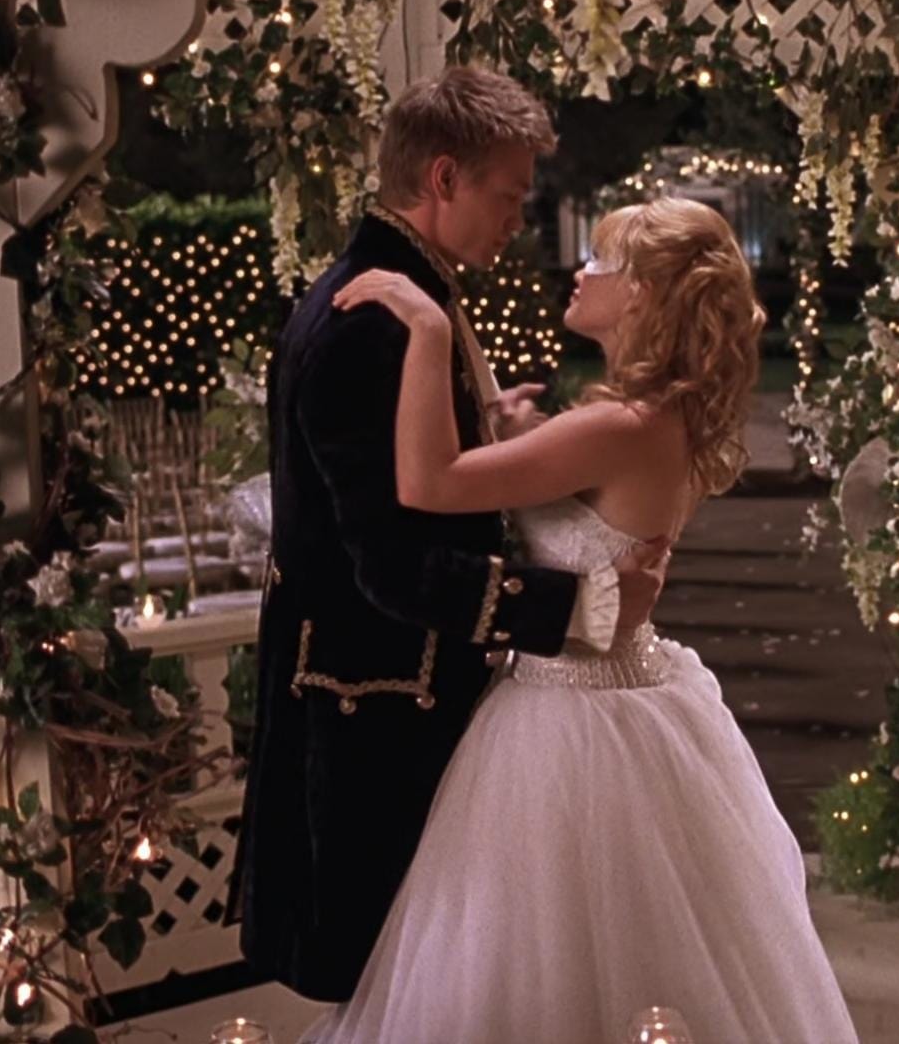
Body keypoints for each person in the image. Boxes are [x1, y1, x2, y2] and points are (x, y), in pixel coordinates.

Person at [301, 196, 859, 1042]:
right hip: (622, 692)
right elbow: (555, 494)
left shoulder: (617, 425)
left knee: (539, 950)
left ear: (640, 296)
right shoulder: (647, 419)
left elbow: (430, 482)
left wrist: (430, 333)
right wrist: (510, 414)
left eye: (599, 264)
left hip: (567, 715)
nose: (579, 273)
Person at [235, 66, 668, 1005]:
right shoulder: (375, 323)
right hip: (375, 708)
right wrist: (580, 606)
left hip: (396, 693)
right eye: (508, 196)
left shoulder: (398, 292)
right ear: (442, 179)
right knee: (414, 993)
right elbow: (387, 561)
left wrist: (490, 425)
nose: (518, 219)